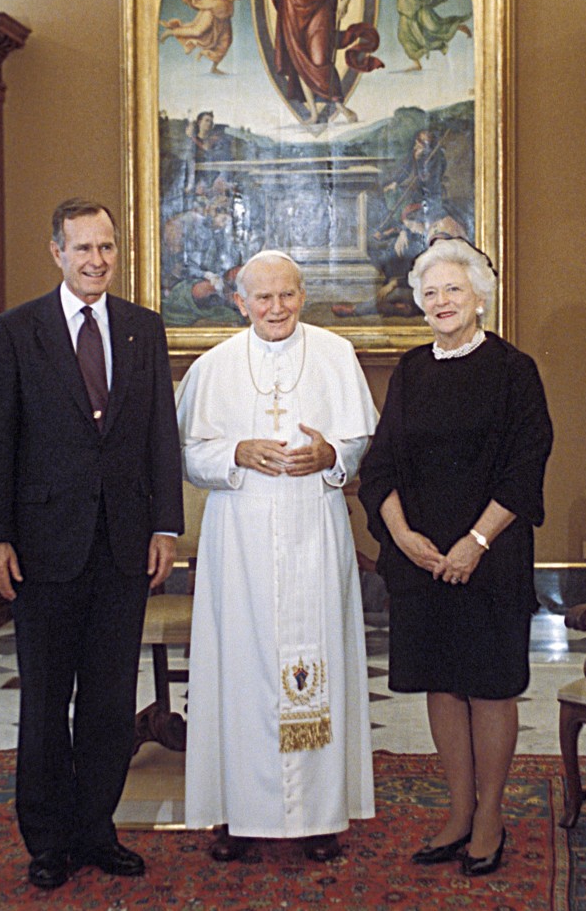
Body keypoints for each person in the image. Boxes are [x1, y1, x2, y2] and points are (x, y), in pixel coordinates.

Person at [0, 198, 184, 891]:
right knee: (44, 702)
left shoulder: (142, 330)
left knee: (106, 700)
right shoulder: (16, 331)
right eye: (84, 248)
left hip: (124, 548)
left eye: (108, 248)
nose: (97, 260)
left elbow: (160, 436)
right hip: (42, 549)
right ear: (57, 252)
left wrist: (165, 526)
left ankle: (97, 829)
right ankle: (48, 840)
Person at [358, 235, 552, 878]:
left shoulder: (512, 370)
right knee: (441, 682)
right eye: (431, 292)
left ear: (479, 298)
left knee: (489, 686)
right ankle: (458, 811)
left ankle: (491, 815)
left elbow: (526, 469)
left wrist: (474, 542)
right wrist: (403, 537)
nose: (442, 301)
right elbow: (378, 465)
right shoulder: (411, 371)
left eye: (454, 290)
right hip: (421, 560)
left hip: (490, 557)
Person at [176, 250, 377, 862]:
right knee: (238, 669)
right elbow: (186, 455)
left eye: (287, 295)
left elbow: (363, 437)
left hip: (314, 528)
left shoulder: (336, 355)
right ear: (240, 303)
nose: (276, 308)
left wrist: (332, 458)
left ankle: (319, 817)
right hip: (238, 538)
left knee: (320, 659)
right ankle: (239, 814)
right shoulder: (213, 367)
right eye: (262, 298)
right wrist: (236, 452)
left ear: (302, 295)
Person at [159, 0, 245, 75]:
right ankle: (171, 32)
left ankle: (214, 67)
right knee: (198, 31)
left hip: (225, 11)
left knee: (226, 40)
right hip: (212, 7)